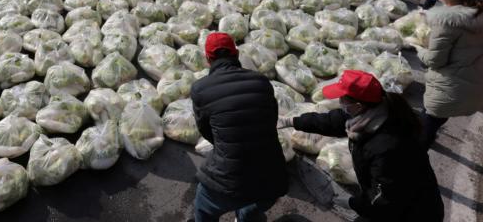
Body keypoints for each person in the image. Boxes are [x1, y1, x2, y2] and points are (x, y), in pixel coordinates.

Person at [279, 70, 444, 222]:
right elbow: (330, 121)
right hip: (395, 200)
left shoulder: (387, 147)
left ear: (358, 106)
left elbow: (384, 200)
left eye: (342, 98)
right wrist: (292, 121)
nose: (339, 102)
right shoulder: (372, 112)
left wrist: (354, 203)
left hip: (412, 214)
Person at [190, 32, 288, 222]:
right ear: (236, 54)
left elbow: (206, 131)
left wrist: (227, 142)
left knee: (203, 207)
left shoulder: (200, 88)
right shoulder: (261, 81)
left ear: (208, 59)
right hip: (273, 181)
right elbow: (271, 121)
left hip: (227, 183)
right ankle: (245, 218)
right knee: (251, 208)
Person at [418, 0, 483, 148]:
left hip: (452, 91)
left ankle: (418, 154)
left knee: (426, 125)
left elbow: (434, 60)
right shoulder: (481, 11)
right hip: (479, 86)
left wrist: (418, 48)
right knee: (435, 119)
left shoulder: (446, 23)